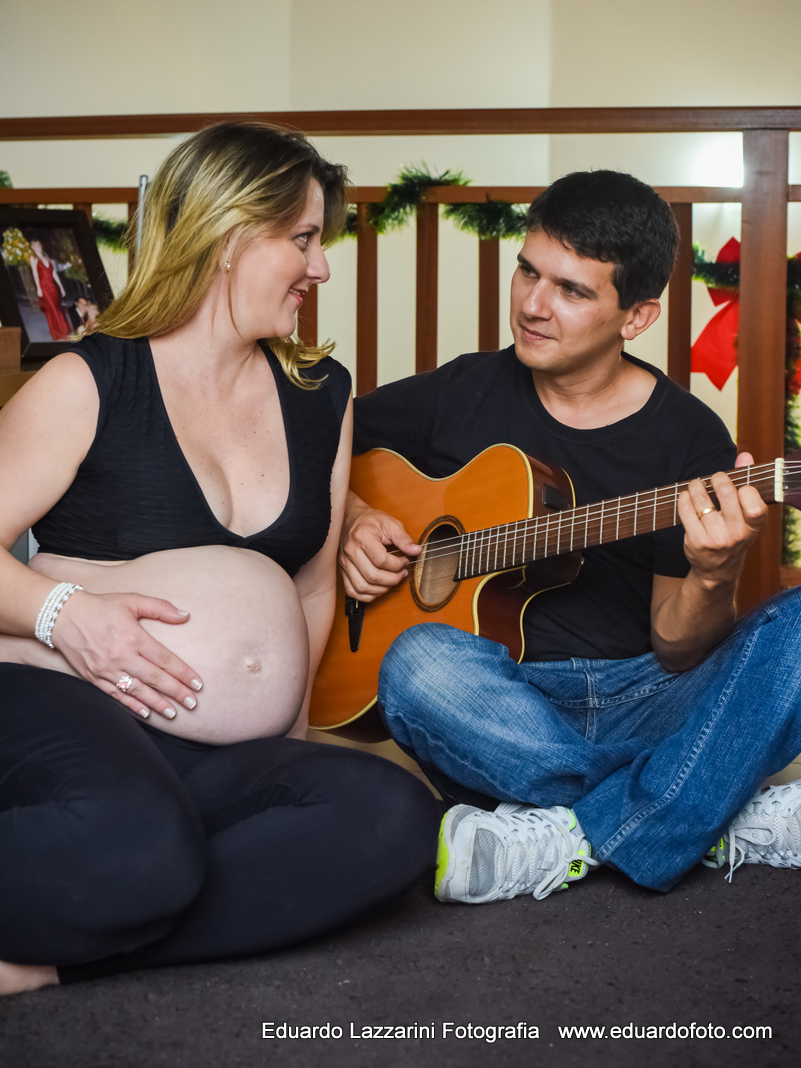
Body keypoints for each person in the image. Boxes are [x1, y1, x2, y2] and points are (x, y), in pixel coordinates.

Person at [0, 122, 438, 995]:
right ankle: (124, 877)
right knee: (141, 841)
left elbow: (310, 583)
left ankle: (45, 956)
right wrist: (66, 615)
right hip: (60, 696)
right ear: (230, 235)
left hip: (205, 746)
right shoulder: (91, 382)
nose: (320, 267)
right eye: (303, 239)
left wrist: (290, 733)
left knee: (389, 814)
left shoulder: (321, 396)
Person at [340, 169, 801, 905]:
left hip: (643, 692)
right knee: (416, 664)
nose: (532, 304)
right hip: (502, 698)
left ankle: (568, 832)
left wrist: (713, 573)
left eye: (572, 290)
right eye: (528, 271)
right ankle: (700, 809)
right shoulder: (462, 391)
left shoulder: (685, 435)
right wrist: (356, 521)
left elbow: (677, 647)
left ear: (636, 317)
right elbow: (314, 436)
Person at [28, 238, 73, 340]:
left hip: (53, 287)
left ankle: (57, 333)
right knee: (53, 309)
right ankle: (63, 333)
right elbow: (35, 275)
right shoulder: (33, 259)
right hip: (44, 288)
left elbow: (53, 273)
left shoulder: (46, 258)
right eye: (33, 245)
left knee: (56, 308)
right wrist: (38, 288)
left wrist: (61, 287)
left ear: (41, 246)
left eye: (37, 245)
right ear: (32, 247)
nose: (35, 247)